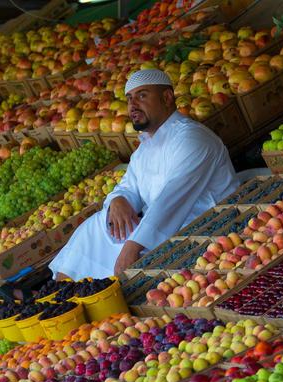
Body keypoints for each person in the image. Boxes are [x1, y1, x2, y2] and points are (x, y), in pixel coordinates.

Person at [49, 69, 239, 281]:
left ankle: (104, 294)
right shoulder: (145, 147)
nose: (132, 105)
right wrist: (118, 200)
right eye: (129, 98)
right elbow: (128, 186)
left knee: (133, 248)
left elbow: (170, 201)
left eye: (142, 95)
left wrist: (133, 247)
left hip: (204, 225)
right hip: (160, 225)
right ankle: (63, 295)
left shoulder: (192, 137)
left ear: (167, 98)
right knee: (94, 227)